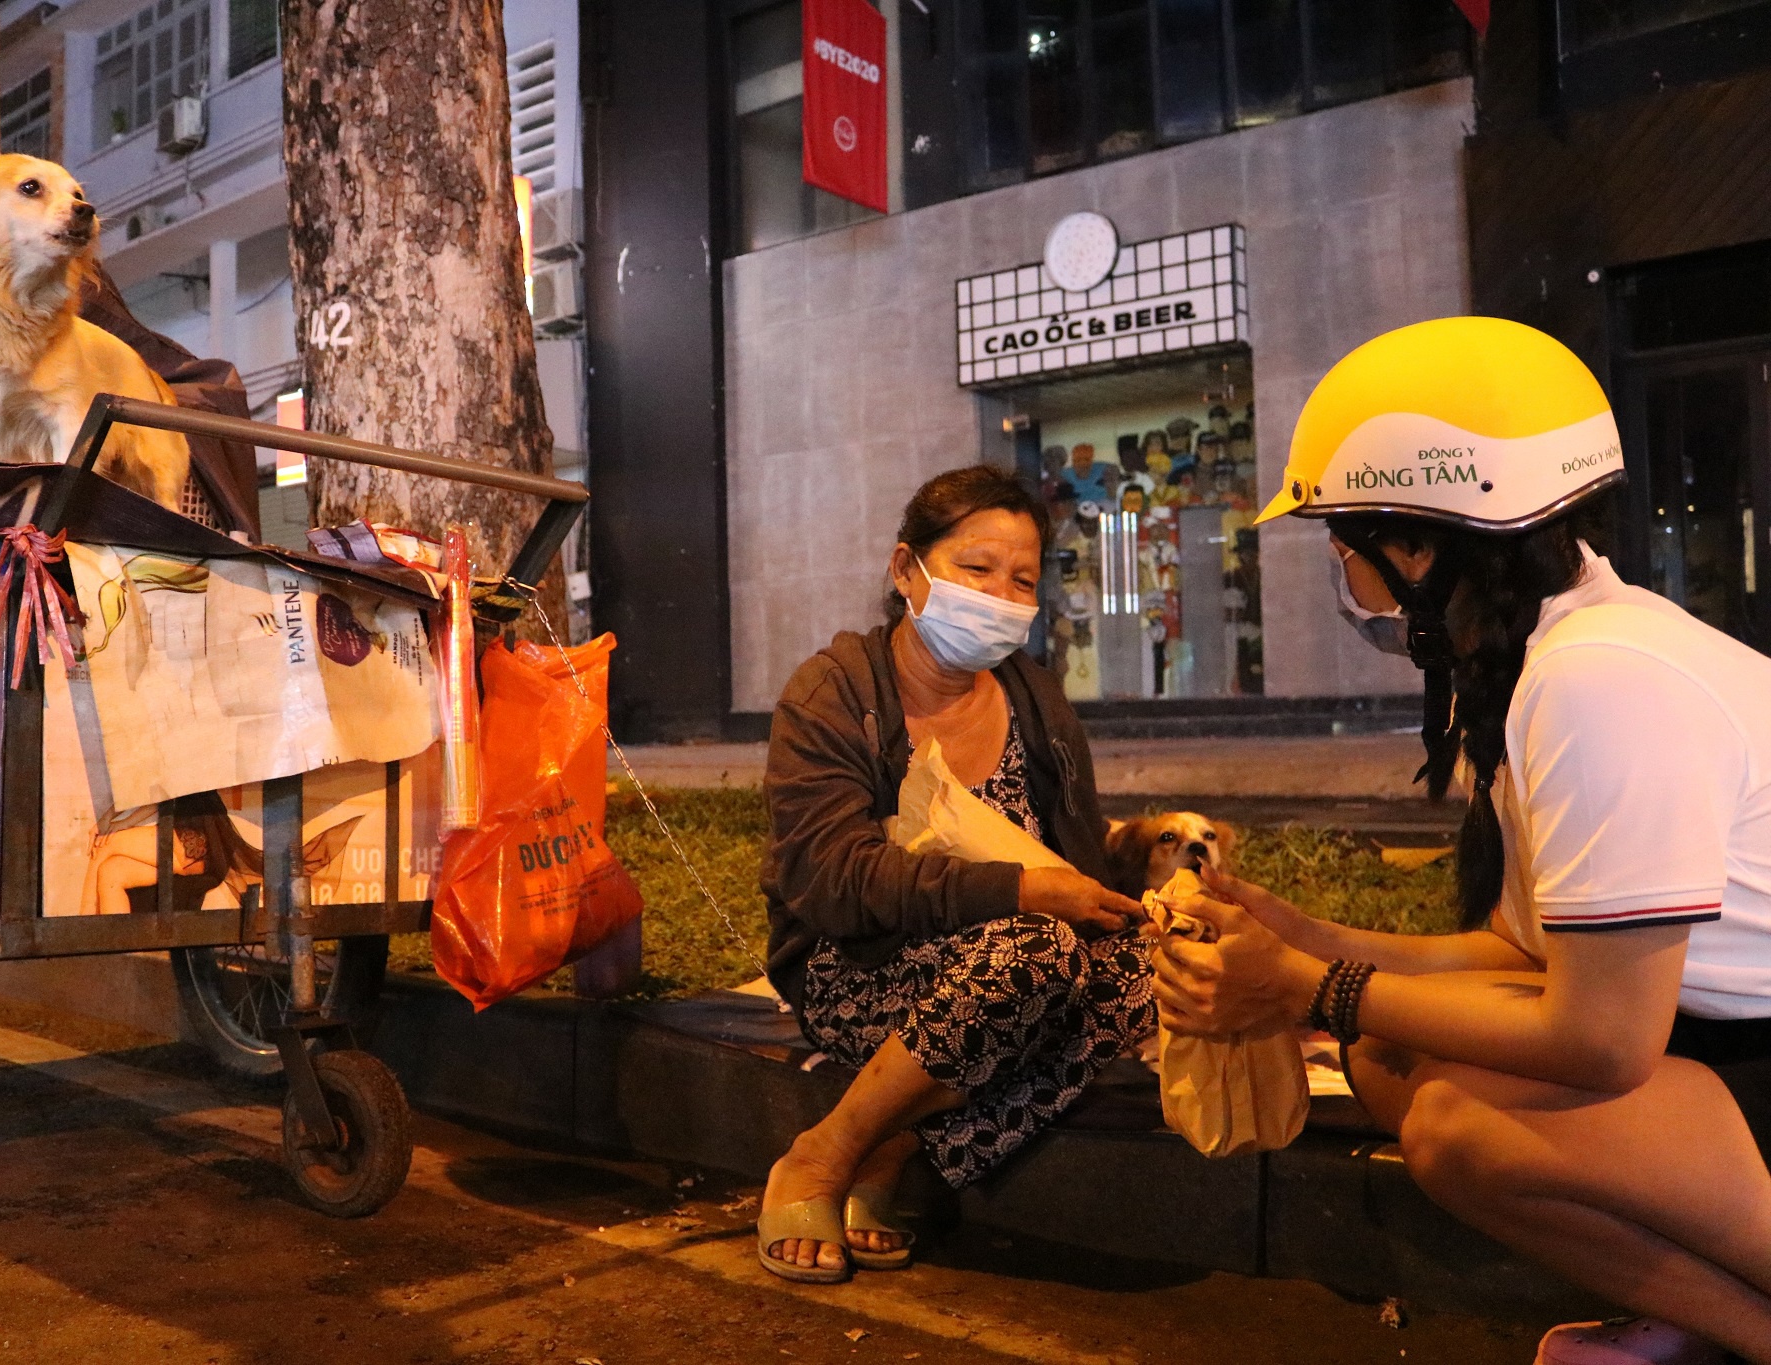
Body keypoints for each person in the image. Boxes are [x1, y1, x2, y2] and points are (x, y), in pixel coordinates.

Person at [1152, 316, 1771, 1365]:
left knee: (1456, 1126)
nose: (1346, 582)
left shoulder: (1598, 681)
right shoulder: (1549, 658)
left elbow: (1602, 1041)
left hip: (1733, 1048)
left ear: (1415, 548)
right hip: (1720, 1036)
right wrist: (1305, 942)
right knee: (1390, 1055)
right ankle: (1717, 1319)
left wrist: (1309, 987)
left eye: (1343, 549)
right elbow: (1519, 950)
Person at [756, 465, 1153, 1283]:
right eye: (976, 568)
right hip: (858, 962)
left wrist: (1147, 908)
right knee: (1039, 952)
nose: (1000, 596)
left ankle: (897, 1143)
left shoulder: (1036, 700)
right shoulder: (835, 693)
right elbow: (833, 881)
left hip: (1021, 963)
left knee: (1153, 970)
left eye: (1022, 581)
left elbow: (1073, 861)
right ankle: (820, 1156)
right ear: (907, 569)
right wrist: (1020, 892)